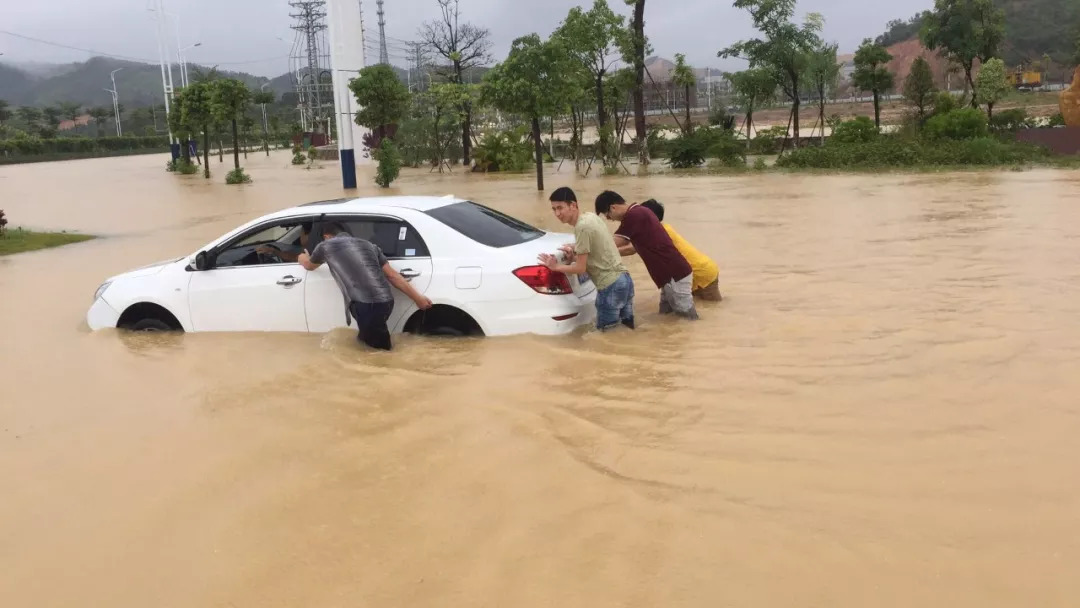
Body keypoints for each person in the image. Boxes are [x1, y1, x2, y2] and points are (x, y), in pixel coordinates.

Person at [299, 222, 433, 350]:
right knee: (366, 344)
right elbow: (393, 276)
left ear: (326, 237)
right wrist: (418, 298)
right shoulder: (370, 246)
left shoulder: (326, 246)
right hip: (386, 302)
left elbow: (309, 266)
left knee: (379, 354)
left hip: (367, 305)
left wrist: (301, 257)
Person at [539, 186, 635, 331]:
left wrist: (555, 267)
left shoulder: (582, 227)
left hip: (610, 286)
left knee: (606, 336)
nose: (557, 213)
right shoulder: (591, 217)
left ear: (573, 205)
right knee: (627, 330)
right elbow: (598, 249)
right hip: (625, 281)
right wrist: (574, 256)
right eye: (554, 209)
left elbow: (580, 268)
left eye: (560, 208)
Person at [594, 190, 699, 320]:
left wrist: (585, 249)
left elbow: (612, 243)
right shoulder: (638, 212)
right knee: (667, 317)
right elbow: (631, 249)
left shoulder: (634, 215)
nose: (610, 219)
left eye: (608, 215)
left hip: (674, 274)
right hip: (668, 275)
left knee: (687, 318)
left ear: (613, 207)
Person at [639, 199, 722, 302]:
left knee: (713, 307)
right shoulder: (662, 228)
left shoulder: (660, 232)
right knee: (704, 307)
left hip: (703, 273)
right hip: (695, 273)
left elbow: (633, 248)